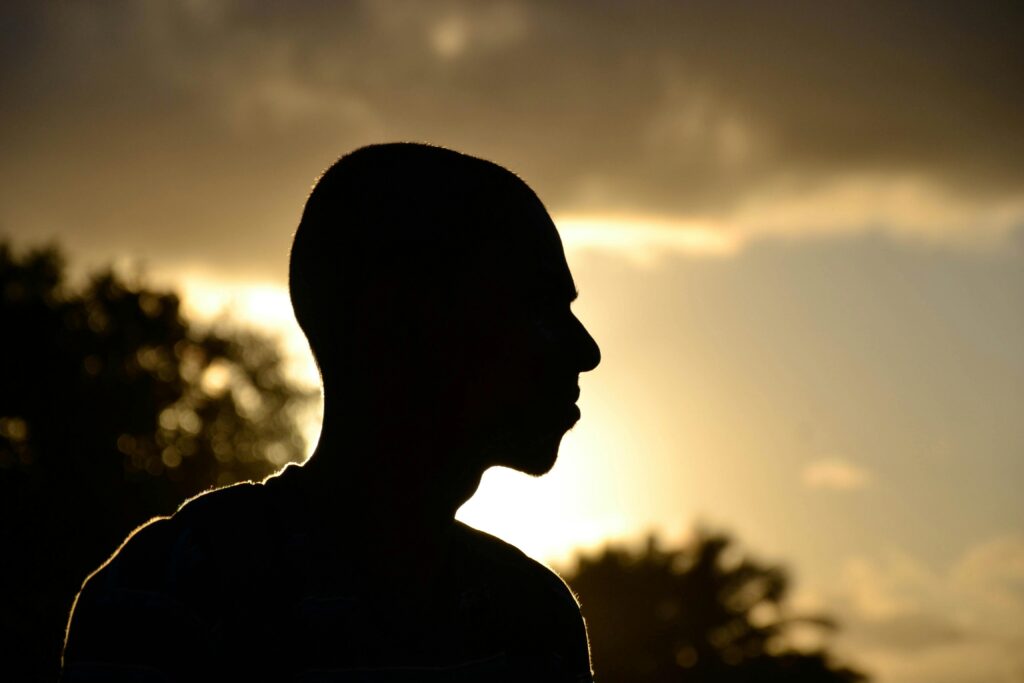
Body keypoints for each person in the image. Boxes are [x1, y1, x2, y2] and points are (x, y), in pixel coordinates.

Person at [62, 143, 602, 681]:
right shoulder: (184, 586)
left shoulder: (533, 620)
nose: (587, 351)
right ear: (397, 321)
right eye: (541, 307)